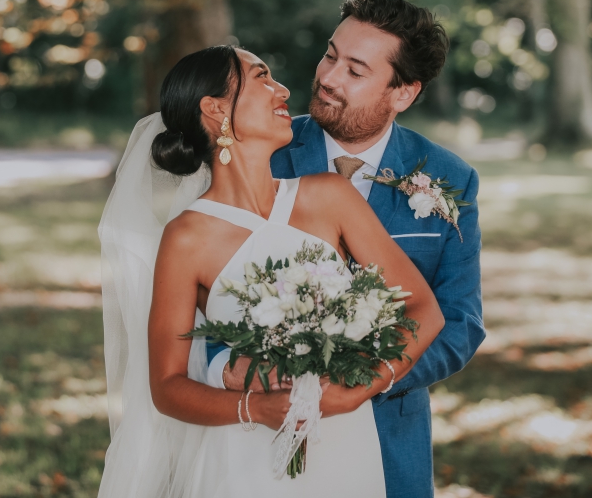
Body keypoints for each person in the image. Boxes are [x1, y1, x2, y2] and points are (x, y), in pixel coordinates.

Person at [97, 43, 445, 498]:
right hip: (242, 460)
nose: (282, 89)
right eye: (261, 77)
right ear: (215, 107)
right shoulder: (186, 238)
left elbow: (424, 309)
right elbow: (166, 387)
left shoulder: (329, 196)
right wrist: (256, 408)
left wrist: (363, 384)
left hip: (345, 442)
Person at [203, 0, 486, 498]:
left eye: (355, 70)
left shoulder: (450, 178)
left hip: (390, 437)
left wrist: (366, 380)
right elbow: (202, 292)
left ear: (402, 93)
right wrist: (240, 369)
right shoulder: (261, 154)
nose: (329, 77)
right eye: (330, 55)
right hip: (261, 432)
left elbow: (460, 321)